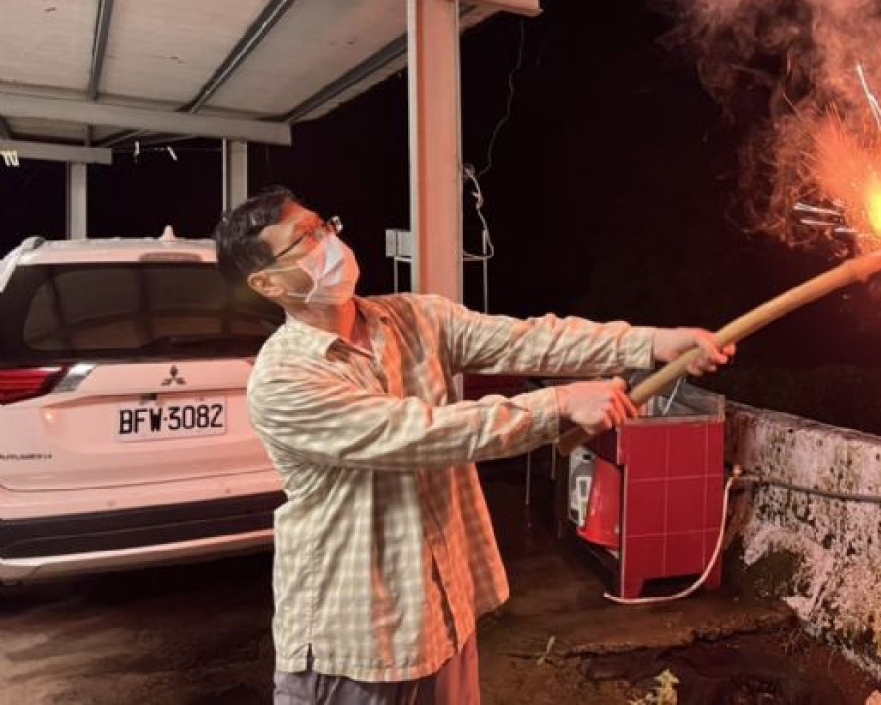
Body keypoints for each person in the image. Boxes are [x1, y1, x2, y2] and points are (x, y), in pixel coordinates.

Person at [213, 186, 734, 705]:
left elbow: (528, 340)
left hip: (442, 617)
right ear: (266, 283)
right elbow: (418, 433)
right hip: (354, 643)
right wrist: (559, 405)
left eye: (322, 225)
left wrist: (652, 343)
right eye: (303, 238)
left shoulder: (413, 319)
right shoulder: (282, 380)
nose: (326, 241)